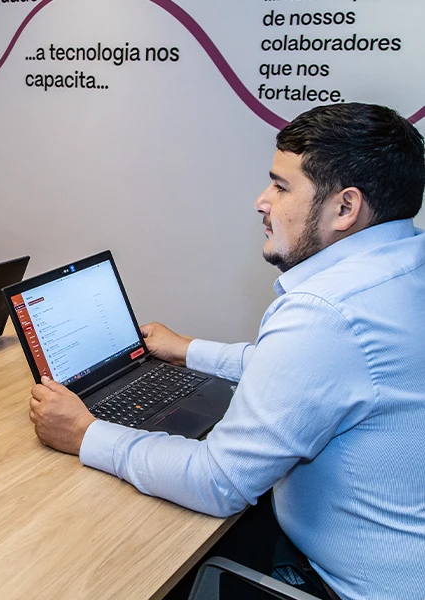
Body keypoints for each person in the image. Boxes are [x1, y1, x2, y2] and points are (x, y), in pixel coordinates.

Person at [28, 103, 425, 600]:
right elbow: (301, 373)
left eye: (281, 187)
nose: (262, 201)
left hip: (341, 584)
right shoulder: (405, 262)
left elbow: (218, 482)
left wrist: (85, 432)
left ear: (345, 208)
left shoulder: (326, 311)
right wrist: (187, 350)